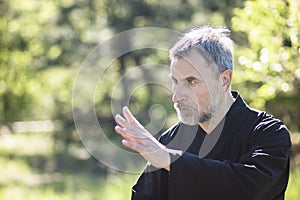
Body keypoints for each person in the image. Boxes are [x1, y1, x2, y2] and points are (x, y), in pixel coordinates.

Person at [114, 25, 291, 200]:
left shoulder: (269, 133)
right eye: (175, 81)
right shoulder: (171, 141)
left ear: (224, 80)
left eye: (191, 81)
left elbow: (251, 188)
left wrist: (171, 161)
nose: (176, 96)